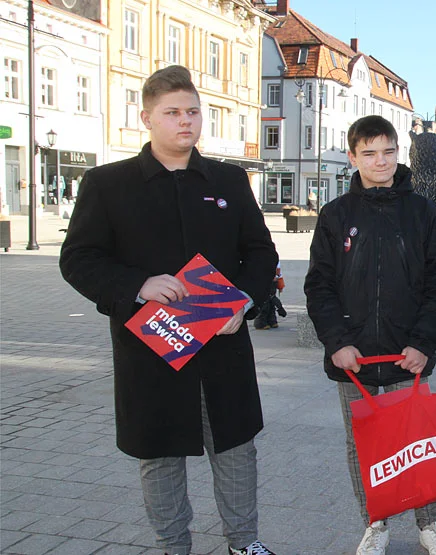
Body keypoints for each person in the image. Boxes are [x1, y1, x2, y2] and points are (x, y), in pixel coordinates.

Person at [59, 65, 279, 555]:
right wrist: (137, 284)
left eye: (194, 112)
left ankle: (245, 544)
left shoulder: (228, 180)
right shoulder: (107, 184)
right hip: (150, 347)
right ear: (147, 118)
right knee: (158, 454)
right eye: (173, 113)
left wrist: (243, 300)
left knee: (237, 448)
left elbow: (261, 252)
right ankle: (172, 546)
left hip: (223, 344)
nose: (186, 122)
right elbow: (77, 258)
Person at [304, 115, 436, 555]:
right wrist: (337, 342)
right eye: (369, 153)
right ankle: (376, 524)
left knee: (418, 441)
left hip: (409, 354)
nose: (381, 161)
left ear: (399, 152)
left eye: (388, 151)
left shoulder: (422, 211)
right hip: (355, 358)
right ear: (353, 157)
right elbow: (319, 286)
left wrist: (423, 344)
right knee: (363, 445)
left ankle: (430, 525)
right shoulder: (336, 215)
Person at [254, 262, 286, 330]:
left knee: (271, 306)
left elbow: (279, 274)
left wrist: (280, 286)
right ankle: (260, 323)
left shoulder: (275, 262)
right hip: (264, 284)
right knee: (264, 306)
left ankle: (272, 321)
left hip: (271, 284)